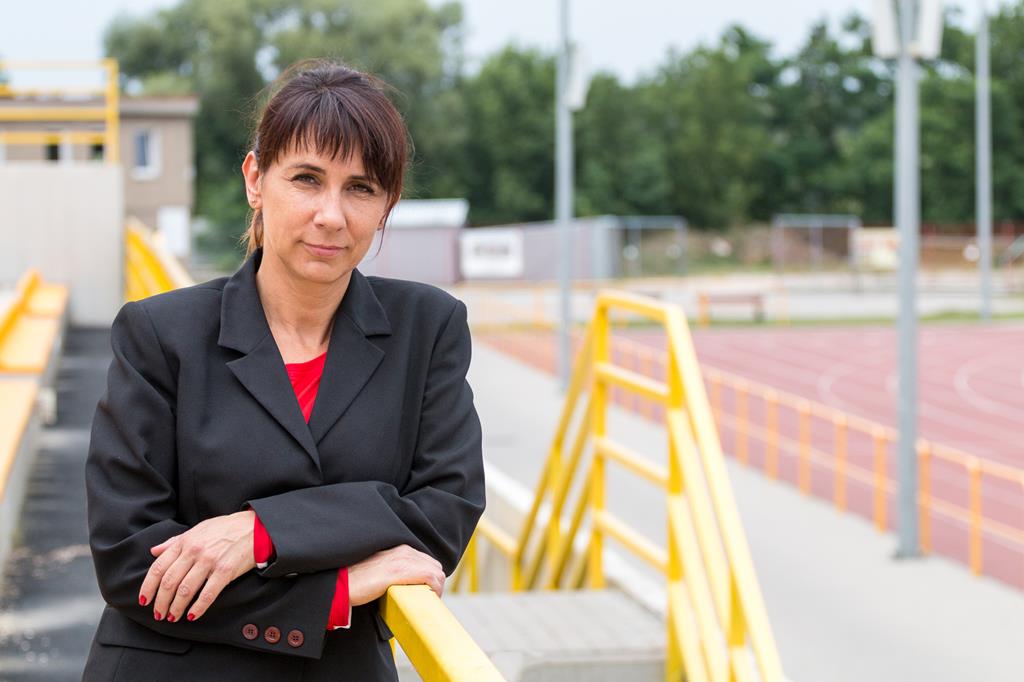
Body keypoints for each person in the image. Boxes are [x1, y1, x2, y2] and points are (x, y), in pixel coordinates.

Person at [82, 59, 485, 681]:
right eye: (306, 179)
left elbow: (441, 512)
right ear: (255, 179)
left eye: (361, 188)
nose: (331, 215)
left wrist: (262, 533)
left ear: (387, 205)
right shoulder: (159, 333)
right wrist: (333, 593)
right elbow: (130, 558)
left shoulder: (428, 328)